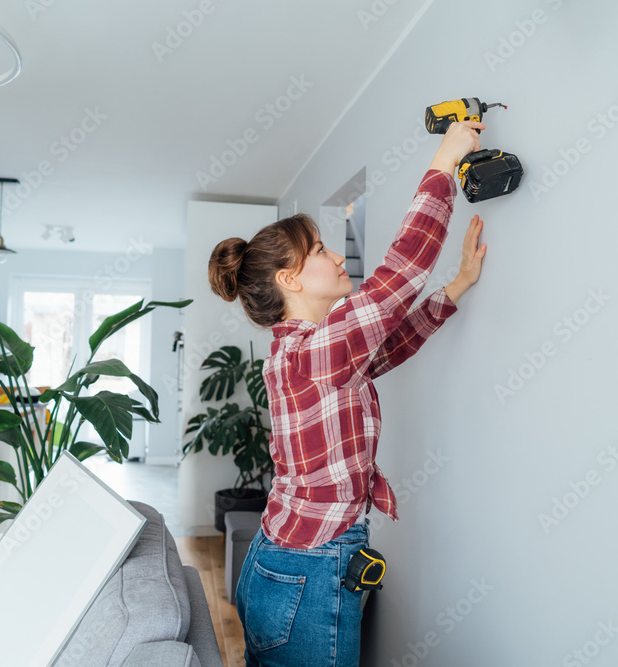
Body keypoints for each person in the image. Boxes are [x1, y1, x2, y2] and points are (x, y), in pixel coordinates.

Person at [207, 120, 488, 666]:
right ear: (289, 280)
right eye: (319, 250)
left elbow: (387, 348)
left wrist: (455, 285)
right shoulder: (314, 351)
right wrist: (444, 160)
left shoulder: (305, 351)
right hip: (308, 569)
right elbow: (396, 275)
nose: (338, 258)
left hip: (286, 560)